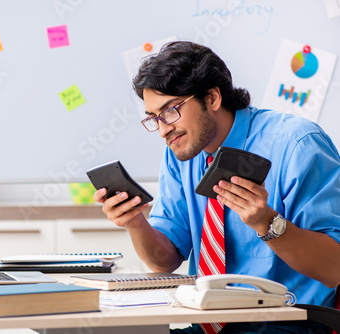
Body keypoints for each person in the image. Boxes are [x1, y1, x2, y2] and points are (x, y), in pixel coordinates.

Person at [94, 41, 340, 334]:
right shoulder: (180, 153)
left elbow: (333, 269)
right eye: (153, 118)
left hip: (290, 322)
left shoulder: (297, 143)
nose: (162, 129)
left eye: (170, 111)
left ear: (211, 97)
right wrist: (136, 224)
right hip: (209, 324)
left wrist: (266, 223)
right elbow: (165, 261)